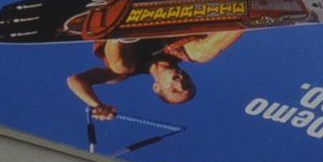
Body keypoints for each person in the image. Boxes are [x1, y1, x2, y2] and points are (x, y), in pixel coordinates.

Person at [67, 27, 242, 115]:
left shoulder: (128, 70)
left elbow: (76, 80)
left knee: (121, 68)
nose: (181, 85)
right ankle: (248, 16)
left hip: (125, 33)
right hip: (171, 16)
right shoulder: (188, 51)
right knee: (200, 56)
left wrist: (97, 105)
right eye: (188, 86)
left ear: (157, 87)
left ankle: (121, 33)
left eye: (174, 91)